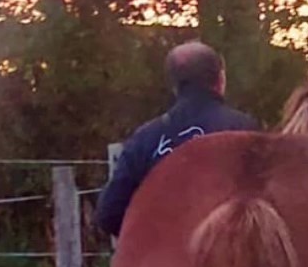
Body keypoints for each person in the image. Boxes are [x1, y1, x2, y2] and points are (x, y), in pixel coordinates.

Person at [96, 40, 257, 240]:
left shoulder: (145, 139)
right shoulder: (244, 130)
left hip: (163, 263)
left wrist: (158, 240)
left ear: (174, 86)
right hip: (232, 257)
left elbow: (110, 213)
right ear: (220, 79)